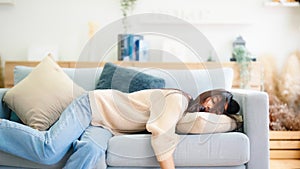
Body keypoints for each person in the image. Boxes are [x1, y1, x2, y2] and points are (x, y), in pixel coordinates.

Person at [0, 88, 240, 169]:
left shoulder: (188, 114)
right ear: (208, 95)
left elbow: (231, 121)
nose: (214, 109)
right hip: (93, 106)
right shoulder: (178, 100)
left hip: (106, 127)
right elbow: (161, 132)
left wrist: (235, 121)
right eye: (216, 101)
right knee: (49, 150)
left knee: (91, 154)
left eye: (222, 110)